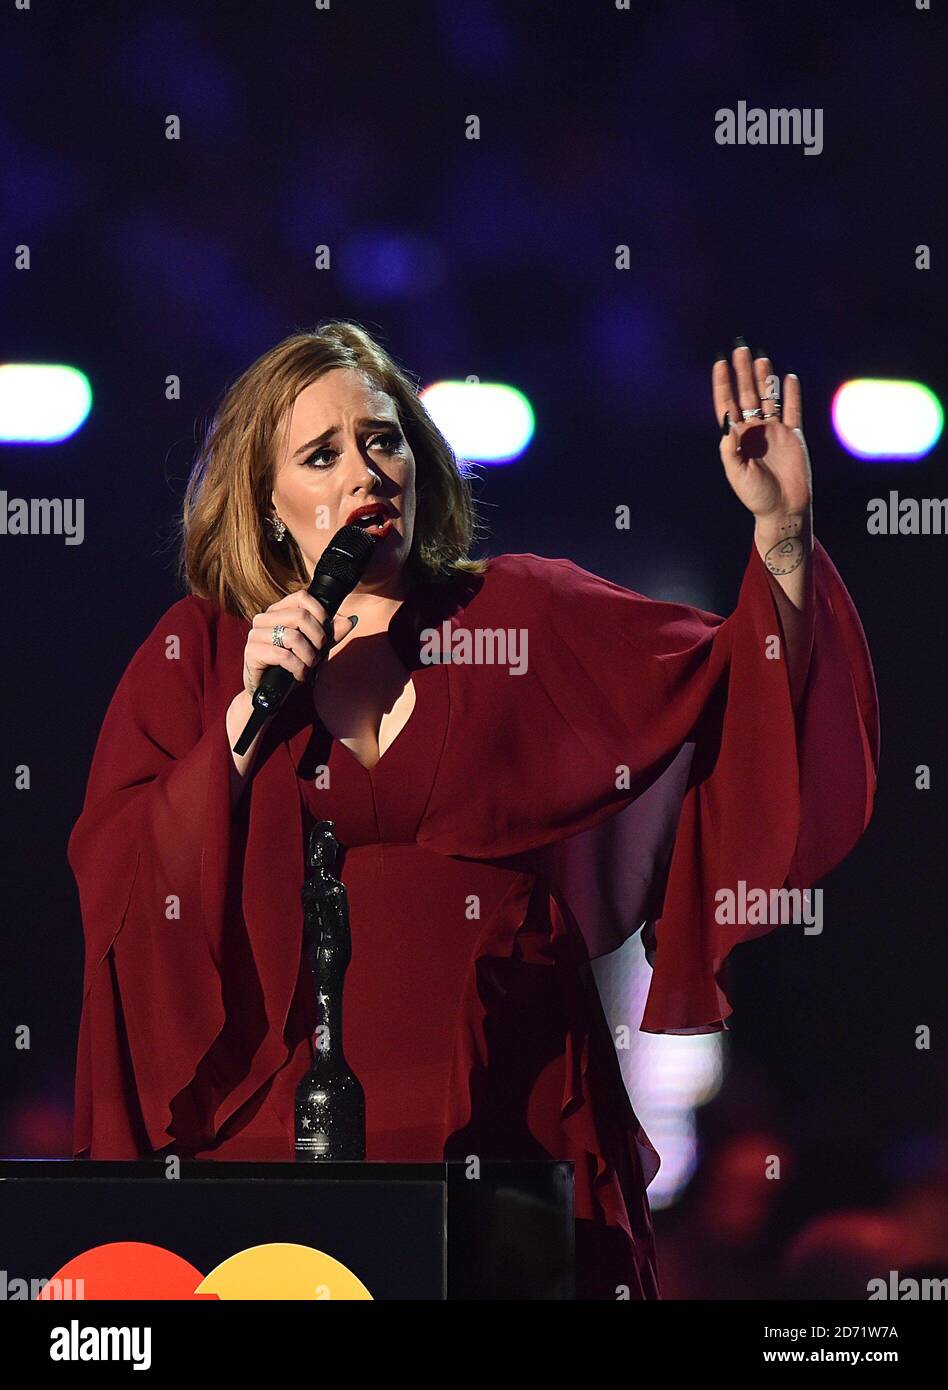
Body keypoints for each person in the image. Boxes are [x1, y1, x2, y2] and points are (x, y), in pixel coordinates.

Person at [67, 320, 879, 1300]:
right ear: (267, 504)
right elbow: (117, 887)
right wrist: (242, 727)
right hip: (274, 1152)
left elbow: (741, 692)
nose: (365, 470)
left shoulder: (517, 614)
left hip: (512, 1123)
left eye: (383, 438)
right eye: (322, 454)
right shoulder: (198, 653)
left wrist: (781, 532)